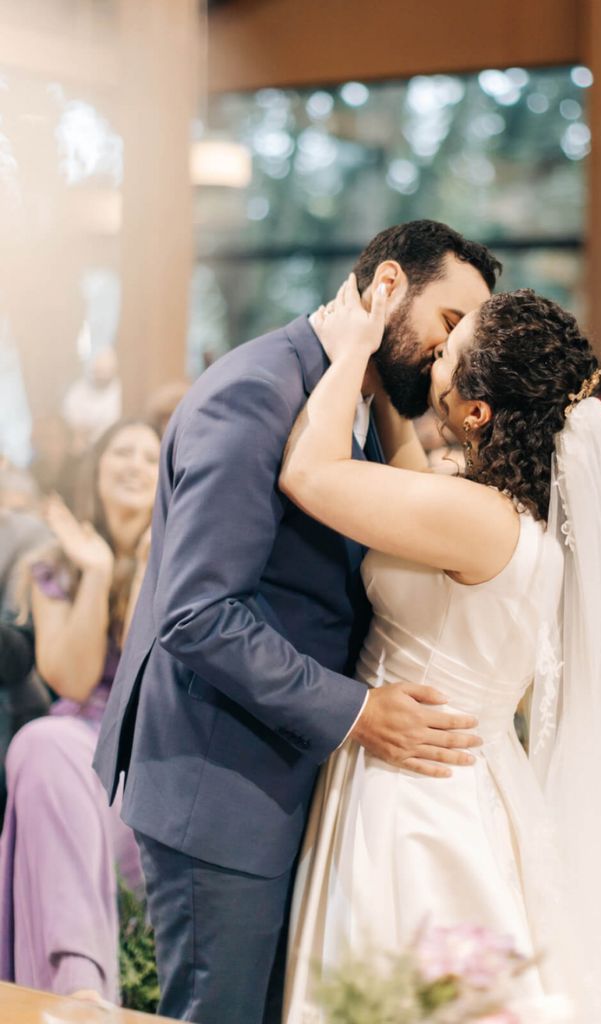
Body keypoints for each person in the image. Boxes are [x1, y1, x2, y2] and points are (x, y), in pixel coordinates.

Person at [92, 221, 501, 1024]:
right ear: (388, 287)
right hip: (223, 786)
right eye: (450, 323)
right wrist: (358, 711)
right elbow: (199, 613)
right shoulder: (257, 391)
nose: (452, 353)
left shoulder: (358, 397)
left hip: (291, 779)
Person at [281, 282, 601, 1023]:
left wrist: (354, 347)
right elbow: (413, 489)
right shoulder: (511, 516)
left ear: (476, 412)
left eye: (445, 355)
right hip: (462, 767)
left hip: (413, 786)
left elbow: (307, 475)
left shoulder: (477, 517)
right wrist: (389, 392)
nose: (431, 357)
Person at [0, 418, 159, 1002]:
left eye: (150, 457)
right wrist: (95, 573)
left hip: (153, 742)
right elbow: (72, 678)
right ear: (97, 468)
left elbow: (148, 676)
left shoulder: (182, 557)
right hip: (80, 740)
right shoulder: (53, 564)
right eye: (121, 452)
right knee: (40, 742)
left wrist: (149, 564)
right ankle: (79, 988)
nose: (135, 465)